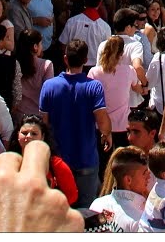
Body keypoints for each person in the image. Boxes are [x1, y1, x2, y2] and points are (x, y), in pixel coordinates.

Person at [36, 39, 110, 208]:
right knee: (86, 212)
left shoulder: (49, 86)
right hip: (86, 159)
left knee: (59, 212)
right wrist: (107, 134)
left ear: (65, 59)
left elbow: (44, 123)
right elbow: (102, 121)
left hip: (59, 162)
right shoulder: (94, 87)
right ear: (85, 60)